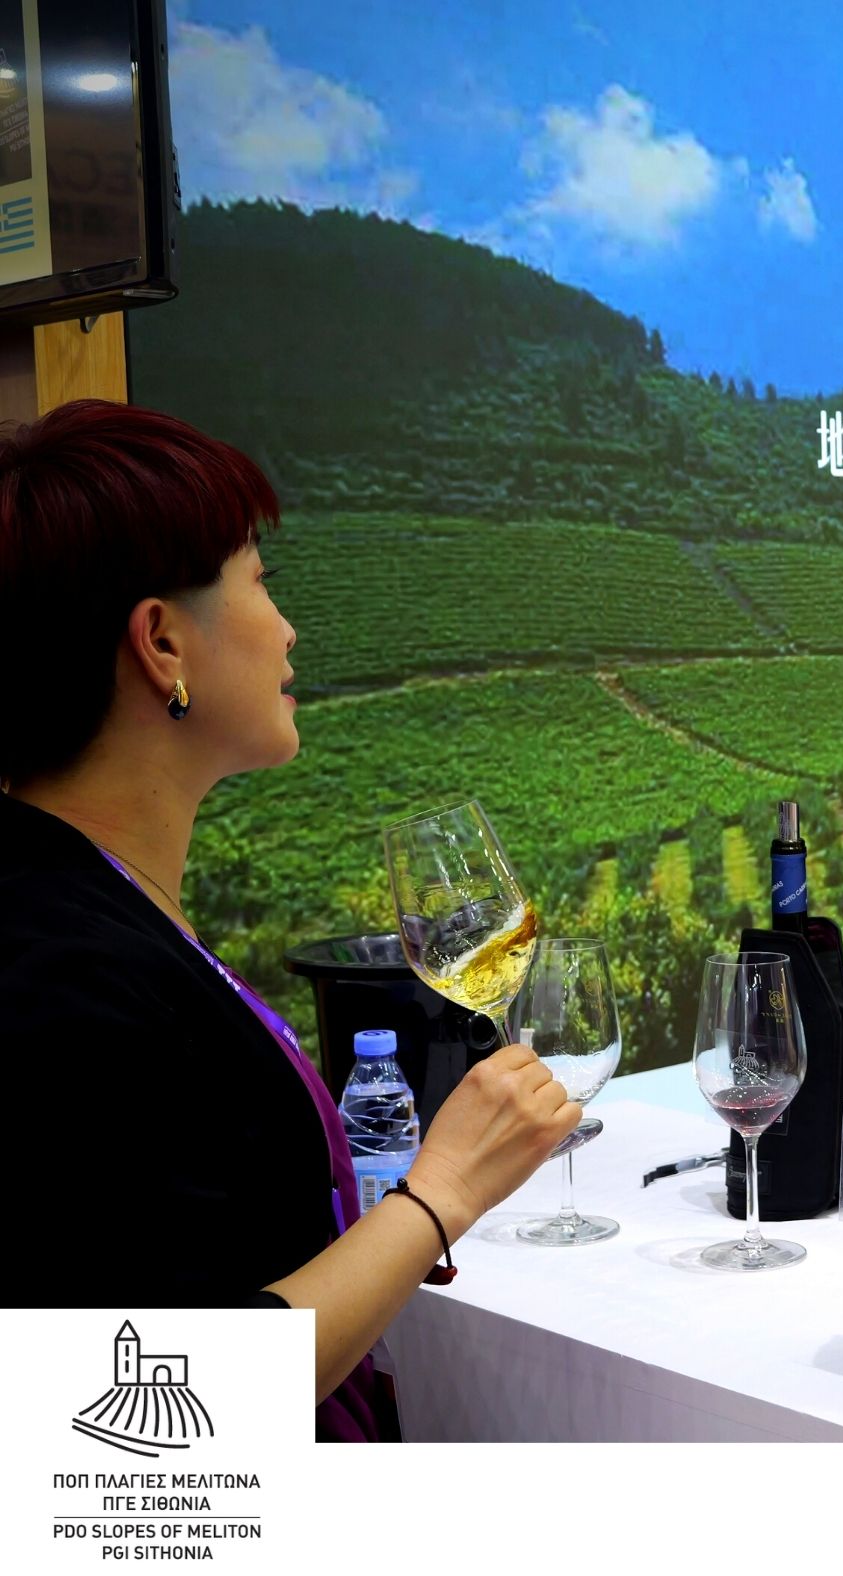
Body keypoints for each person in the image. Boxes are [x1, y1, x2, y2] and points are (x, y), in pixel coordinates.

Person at [0, 400, 580, 1440]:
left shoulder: (83, 899)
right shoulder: (55, 972)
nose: (288, 627)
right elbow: (150, 1407)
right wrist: (441, 1191)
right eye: (260, 581)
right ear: (162, 642)